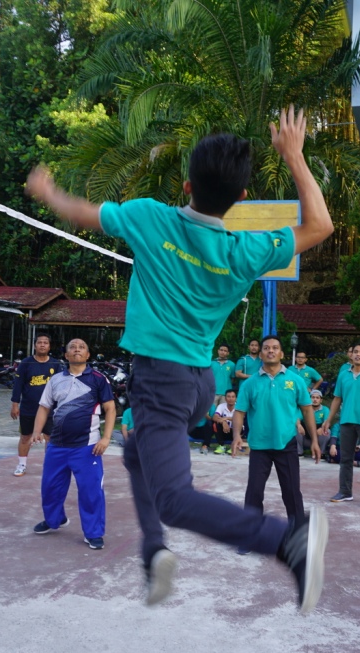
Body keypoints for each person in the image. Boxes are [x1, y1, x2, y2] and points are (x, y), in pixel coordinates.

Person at [25, 105, 333, 612]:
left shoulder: (149, 217)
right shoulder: (245, 251)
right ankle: (154, 552)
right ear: (241, 199)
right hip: (197, 386)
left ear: (186, 185)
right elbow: (319, 224)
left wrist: (48, 191)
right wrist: (294, 157)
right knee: (135, 452)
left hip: (160, 383)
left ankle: (285, 541)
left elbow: (79, 212)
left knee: (172, 497)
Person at [31, 338, 116, 551]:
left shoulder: (98, 379)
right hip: (57, 446)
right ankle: (54, 520)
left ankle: (94, 533)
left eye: (82, 347)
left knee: (90, 492)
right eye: (72, 347)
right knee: (50, 488)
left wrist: (106, 438)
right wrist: (36, 431)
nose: (77, 350)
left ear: (87, 355)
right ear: (66, 355)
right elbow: (43, 407)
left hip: (87, 447)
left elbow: (111, 409)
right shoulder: (55, 380)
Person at [232, 335, 317, 540]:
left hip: (286, 443)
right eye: (266, 348)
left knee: (291, 492)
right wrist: (236, 435)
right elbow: (239, 412)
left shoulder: (295, 381)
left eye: (275, 348)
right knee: (254, 492)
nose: (270, 351)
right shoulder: (250, 383)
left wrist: (314, 439)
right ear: (260, 354)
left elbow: (307, 410)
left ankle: (298, 535)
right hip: (259, 445)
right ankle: (249, 534)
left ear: (281, 354)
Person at [323, 342, 360, 510]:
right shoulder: (343, 375)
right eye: (355, 351)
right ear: (351, 355)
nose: (358, 354)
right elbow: (337, 399)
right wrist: (328, 420)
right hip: (346, 422)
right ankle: (345, 492)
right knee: (345, 459)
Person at [9, 334, 63, 476]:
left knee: (49, 438)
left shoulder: (56, 364)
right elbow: (18, 386)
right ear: (35, 345)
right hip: (28, 408)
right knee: (25, 437)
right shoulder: (26, 363)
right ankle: (21, 464)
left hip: (49, 410)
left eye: (46, 342)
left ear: (49, 346)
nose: (42, 345)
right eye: (40, 342)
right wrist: (15, 404)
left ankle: (49, 466)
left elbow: (61, 387)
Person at [212, 389, 240, 454]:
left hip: (235, 431)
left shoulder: (239, 407)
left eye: (233, 397)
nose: (231, 399)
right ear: (225, 398)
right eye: (229, 396)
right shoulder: (221, 406)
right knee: (215, 424)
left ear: (236, 398)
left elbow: (239, 419)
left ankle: (233, 446)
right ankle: (221, 446)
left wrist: (225, 418)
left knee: (239, 424)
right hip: (224, 431)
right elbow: (215, 417)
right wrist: (223, 422)